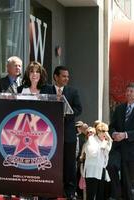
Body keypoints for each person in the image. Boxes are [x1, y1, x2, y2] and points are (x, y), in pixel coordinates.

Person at [108, 82, 134, 200]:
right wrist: (113, 133)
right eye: (127, 91)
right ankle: (117, 194)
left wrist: (126, 135)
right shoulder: (119, 108)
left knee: (130, 184)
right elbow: (111, 126)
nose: (127, 93)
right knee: (111, 166)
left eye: (131, 91)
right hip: (117, 148)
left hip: (133, 151)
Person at [51, 66, 82, 199]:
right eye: (63, 76)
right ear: (56, 77)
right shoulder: (47, 90)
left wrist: (65, 115)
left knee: (69, 164)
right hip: (50, 135)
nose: (66, 79)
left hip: (68, 134)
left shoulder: (72, 91)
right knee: (52, 162)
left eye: (67, 76)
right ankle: (52, 189)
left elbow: (79, 109)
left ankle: (70, 192)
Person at [83, 123, 112, 200]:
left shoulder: (104, 141)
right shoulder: (91, 139)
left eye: (106, 132)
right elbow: (93, 153)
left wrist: (109, 141)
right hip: (92, 170)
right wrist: (102, 145)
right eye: (103, 131)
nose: (105, 134)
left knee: (100, 194)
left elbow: (108, 151)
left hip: (101, 169)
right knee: (91, 194)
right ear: (98, 132)